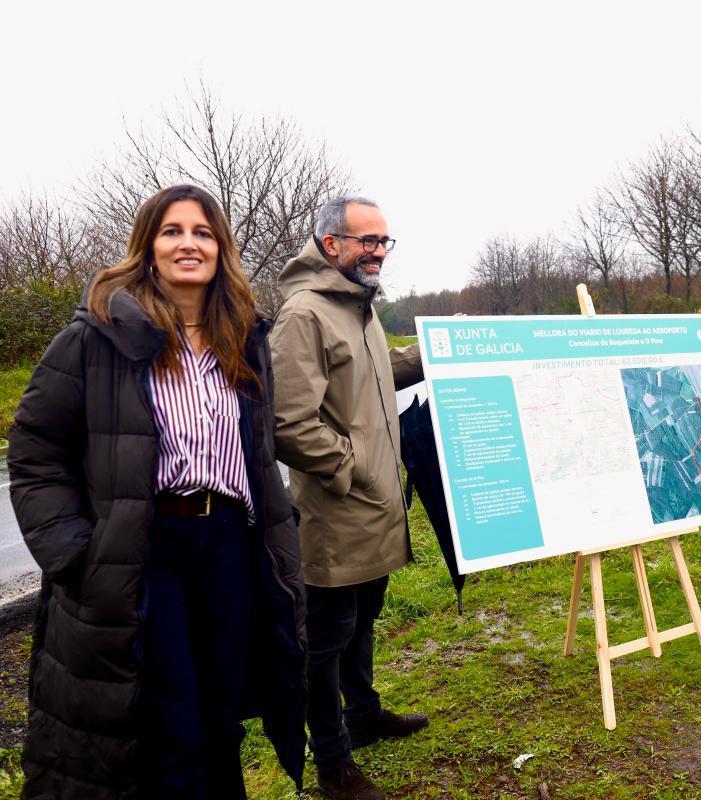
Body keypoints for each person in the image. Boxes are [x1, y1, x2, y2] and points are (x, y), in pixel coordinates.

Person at [8, 184, 307, 798]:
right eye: (172, 231)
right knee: (173, 722)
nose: (188, 244)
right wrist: (73, 552)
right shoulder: (97, 335)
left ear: (220, 248)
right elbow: (36, 451)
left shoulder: (245, 336)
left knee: (223, 713)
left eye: (202, 232)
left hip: (230, 545)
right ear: (148, 246)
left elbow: (260, 447)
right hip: (146, 552)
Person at [271, 196, 427, 800]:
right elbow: (290, 423)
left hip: (376, 509)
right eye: (368, 240)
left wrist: (434, 352)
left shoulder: (357, 308)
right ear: (331, 244)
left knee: (363, 623)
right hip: (337, 513)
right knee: (327, 640)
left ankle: (364, 717)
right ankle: (333, 764)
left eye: (386, 241)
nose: (379, 252)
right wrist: (355, 470)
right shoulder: (305, 314)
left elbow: (380, 375)